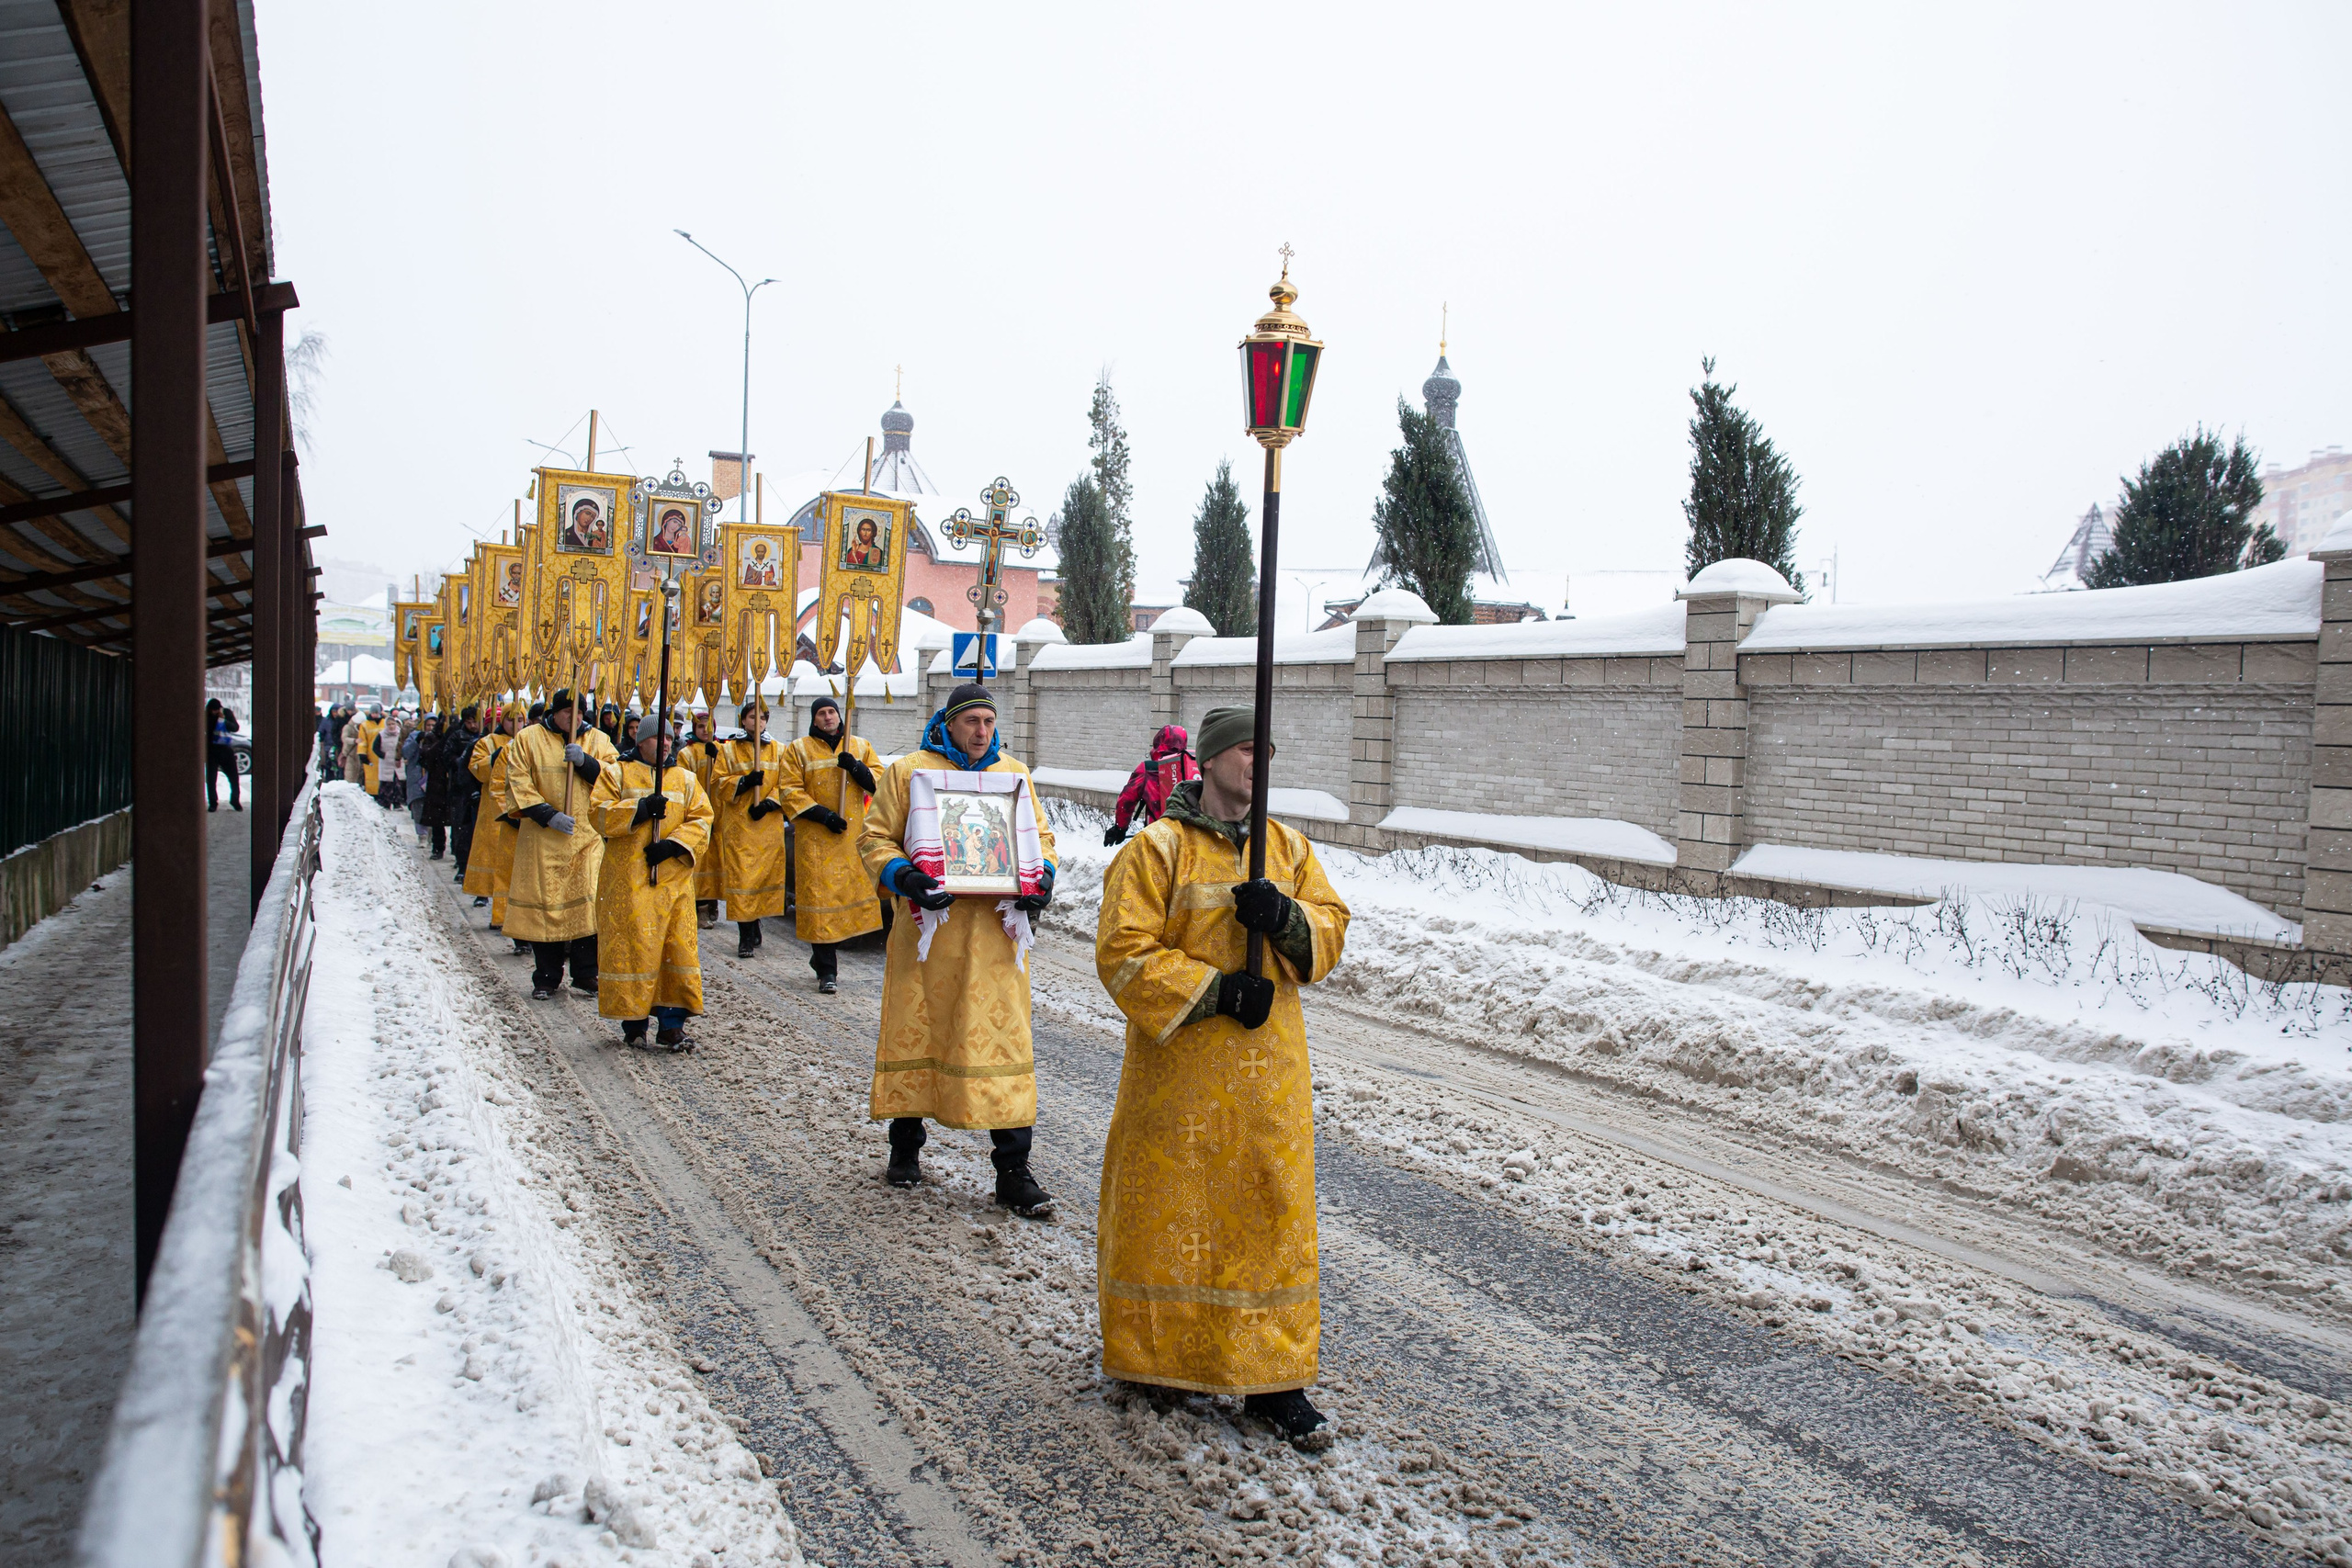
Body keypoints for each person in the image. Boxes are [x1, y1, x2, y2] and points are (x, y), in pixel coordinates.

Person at [1091, 705, 1351, 1444]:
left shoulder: (1288, 848)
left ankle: (1275, 1378)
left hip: (1268, 1081)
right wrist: (1216, 990)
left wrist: (1287, 920)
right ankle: (1157, 1355)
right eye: (1245, 750)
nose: (1257, 763)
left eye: (1265, 750)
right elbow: (1122, 952)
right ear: (1208, 762)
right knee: (1169, 1216)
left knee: (1269, 1218)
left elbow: (1332, 927)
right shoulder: (1155, 851)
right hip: (1177, 1080)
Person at [855, 683, 1057, 1217]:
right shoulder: (909, 772)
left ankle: (1013, 1170)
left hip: (995, 941)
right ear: (948, 724)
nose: (981, 731)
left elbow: (1039, 837)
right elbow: (874, 838)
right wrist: (905, 876)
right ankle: (905, 1148)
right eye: (971, 721)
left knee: (1001, 1041)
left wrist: (1043, 877)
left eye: (989, 722)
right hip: (929, 935)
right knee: (921, 1027)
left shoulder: (1013, 776)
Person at [590, 713, 713, 1049]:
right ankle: (635, 1023)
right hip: (629, 880)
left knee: (675, 950)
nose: (665, 745)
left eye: (670, 739)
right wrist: (641, 808)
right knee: (635, 949)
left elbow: (703, 818)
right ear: (640, 740)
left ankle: (672, 1024)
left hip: (673, 880)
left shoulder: (685, 779)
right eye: (657, 738)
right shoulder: (616, 773)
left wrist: (674, 845)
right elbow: (598, 813)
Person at [503, 688, 619, 1000]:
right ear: (554, 713)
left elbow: (616, 778)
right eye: (569, 712)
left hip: (585, 839)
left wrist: (586, 763)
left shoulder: (598, 740)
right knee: (546, 908)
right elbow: (517, 782)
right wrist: (547, 814)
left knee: (587, 907)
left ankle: (585, 974)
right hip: (543, 840)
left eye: (580, 712)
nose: (576, 717)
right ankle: (547, 976)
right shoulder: (528, 739)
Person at [774, 694, 883, 994]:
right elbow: (789, 790)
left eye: (832, 711)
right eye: (821, 713)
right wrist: (822, 815)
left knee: (844, 903)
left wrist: (858, 769)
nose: (828, 717)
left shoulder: (859, 746)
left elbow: (882, 782)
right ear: (814, 718)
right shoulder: (799, 749)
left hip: (850, 840)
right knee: (819, 905)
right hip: (817, 840)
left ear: (839, 715)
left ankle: (823, 957)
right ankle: (827, 969)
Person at [714, 698, 789, 958]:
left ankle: (755, 921)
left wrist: (769, 803)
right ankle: (744, 936)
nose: (757, 722)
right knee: (742, 881)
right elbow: (718, 784)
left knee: (761, 880)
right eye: (751, 717)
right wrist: (744, 782)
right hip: (740, 828)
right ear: (742, 720)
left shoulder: (779, 750)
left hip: (767, 828)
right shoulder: (729, 750)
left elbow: (788, 784)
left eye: (762, 717)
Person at [463, 703, 525, 941]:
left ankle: (508, 916)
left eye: (520, 720)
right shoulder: (487, 742)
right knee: (496, 860)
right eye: (511, 720)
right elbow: (477, 769)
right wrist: (497, 756)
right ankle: (496, 911)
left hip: (519, 808)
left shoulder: (527, 741)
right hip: (493, 810)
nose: (516, 725)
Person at [1104, 725, 1196, 845]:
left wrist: (1120, 828)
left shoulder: (1148, 769)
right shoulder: (1192, 767)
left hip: (1157, 839)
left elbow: (1126, 800)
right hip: (1189, 840)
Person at [681, 706, 726, 929]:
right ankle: (699, 907)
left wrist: (717, 756)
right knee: (699, 863)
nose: (705, 731)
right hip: (698, 811)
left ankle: (712, 902)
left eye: (708, 727)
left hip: (719, 813)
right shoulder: (686, 753)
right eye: (700, 726)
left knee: (716, 863)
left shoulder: (722, 749)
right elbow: (684, 781)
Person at [424, 708, 473, 863]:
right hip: (439, 782)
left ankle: (457, 850)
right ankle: (438, 847)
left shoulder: (471, 737)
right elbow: (429, 758)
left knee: (457, 821)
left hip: (457, 783)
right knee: (439, 818)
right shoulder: (436, 737)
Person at [403, 716, 436, 843]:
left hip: (432, 777)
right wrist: (417, 740)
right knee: (418, 807)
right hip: (417, 777)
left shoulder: (437, 737)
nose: (430, 728)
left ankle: (431, 832)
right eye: (428, 725)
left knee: (433, 807)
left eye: (433, 725)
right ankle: (421, 834)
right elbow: (406, 752)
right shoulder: (414, 736)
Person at [205, 699, 242, 813]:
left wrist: (223, 720)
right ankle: (213, 803)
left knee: (234, 777)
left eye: (216, 710)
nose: (215, 712)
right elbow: (207, 728)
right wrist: (215, 719)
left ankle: (235, 800)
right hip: (211, 750)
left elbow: (235, 727)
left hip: (226, 750)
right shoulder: (206, 715)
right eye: (212, 711)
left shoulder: (226, 713)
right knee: (211, 779)